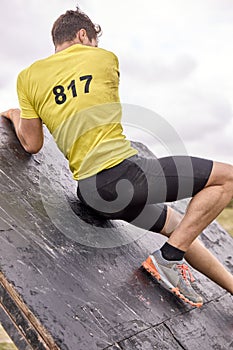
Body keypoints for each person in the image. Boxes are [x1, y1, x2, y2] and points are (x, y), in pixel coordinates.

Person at [1, 6, 233, 308]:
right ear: (84, 35)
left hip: (91, 192)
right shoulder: (104, 58)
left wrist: (17, 115)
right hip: (124, 174)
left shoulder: (27, 78)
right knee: (226, 178)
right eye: (92, 41)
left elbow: (32, 143)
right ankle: (168, 261)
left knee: (181, 226)